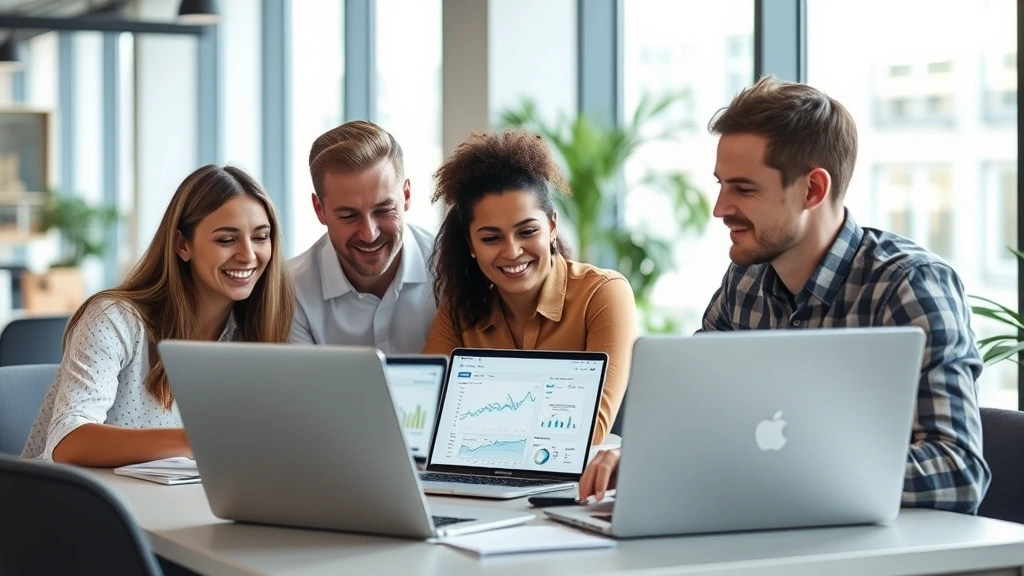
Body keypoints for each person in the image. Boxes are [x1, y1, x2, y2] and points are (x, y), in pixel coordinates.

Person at [580, 76, 991, 515]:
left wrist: (779, 477)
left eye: (744, 188)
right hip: (757, 532)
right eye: (720, 184)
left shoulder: (910, 286)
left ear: (813, 190)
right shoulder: (744, 282)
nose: (719, 208)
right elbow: (698, 418)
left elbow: (959, 471)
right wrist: (650, 459)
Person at [21, 165, 294, 467]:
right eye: (226, 240)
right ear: (182, 245)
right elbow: (67, 442)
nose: (248, 254)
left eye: (260, 237)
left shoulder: (252, 329)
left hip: (174, 504)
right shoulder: (115, 319)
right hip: (65, 503)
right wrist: (191, 441)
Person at [422, 130, 638, 444]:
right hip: (483, 477)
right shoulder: (459, 310)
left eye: (527, 231)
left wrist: (471, 419)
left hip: (573, 487)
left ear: (552, 226)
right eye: (491, 238)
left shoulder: (603, 294)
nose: (511, 252)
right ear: (470, 243)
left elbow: (591, 429)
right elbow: (425, 414)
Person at [289, 121, 436, 353]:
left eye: (384, 210)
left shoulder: (451, 268)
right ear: (320, 210)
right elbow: (303, 388)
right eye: (348, 215)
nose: (369, 234)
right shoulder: (292, 291)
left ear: (406, 195)